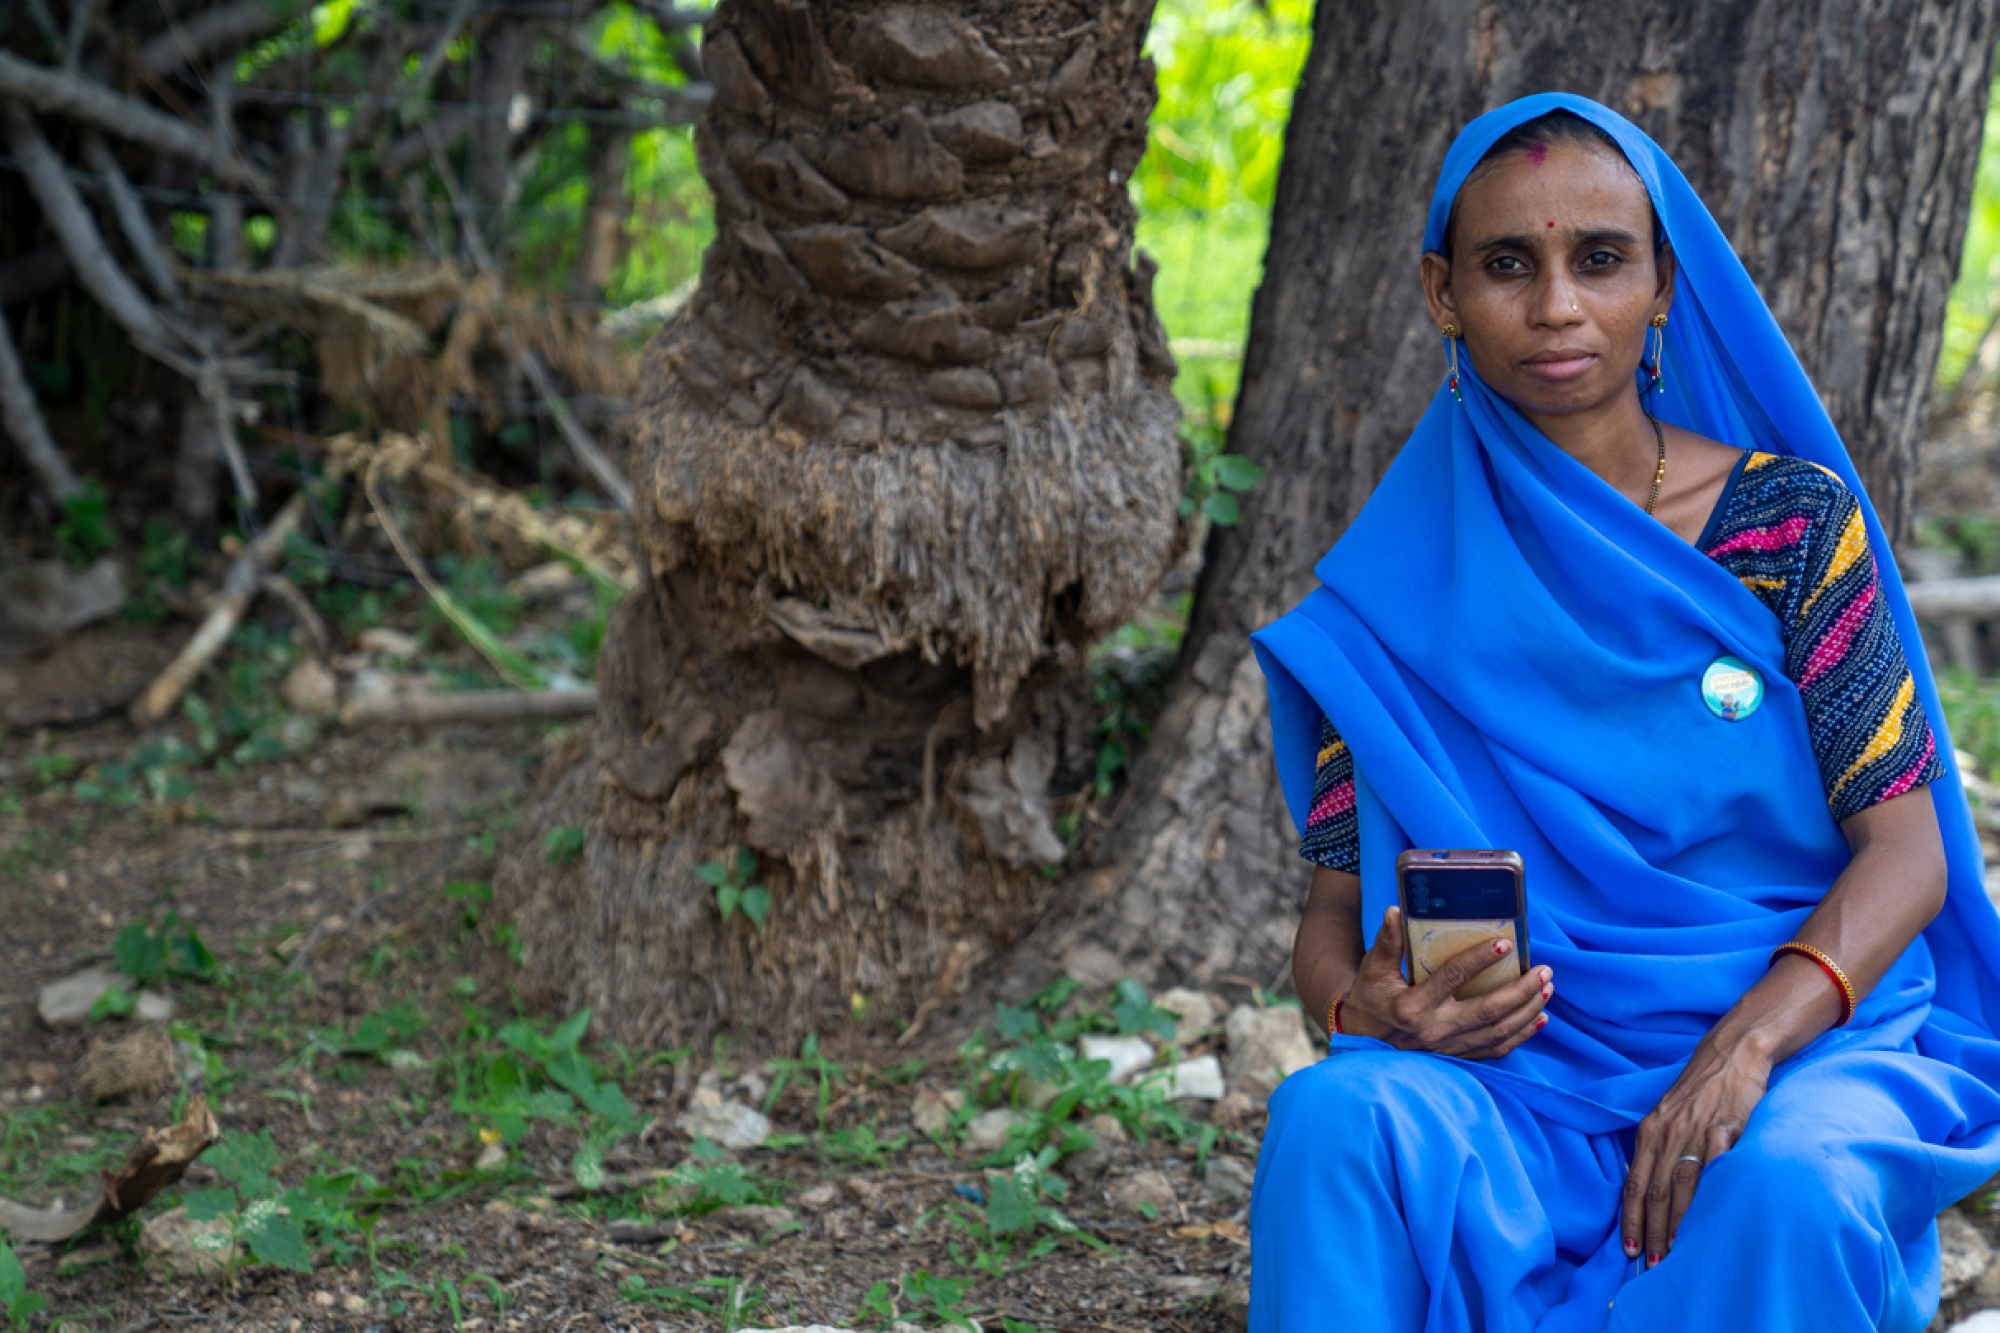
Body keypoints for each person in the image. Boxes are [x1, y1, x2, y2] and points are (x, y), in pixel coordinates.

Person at [1246, 93, 2000, 1333]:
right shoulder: (1388, 595)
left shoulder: (1788, 528)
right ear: (1440, 293)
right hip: (1513, 1081)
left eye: (1598, 260)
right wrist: (1356, 1006)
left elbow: (1906, 851)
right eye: (1506, 265)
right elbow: (1333, 912)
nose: (1554, 307)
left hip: (1796, 1038)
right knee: (1333, 1115)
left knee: (1790, 1189)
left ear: (1660, 284)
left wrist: (1746, 1046)